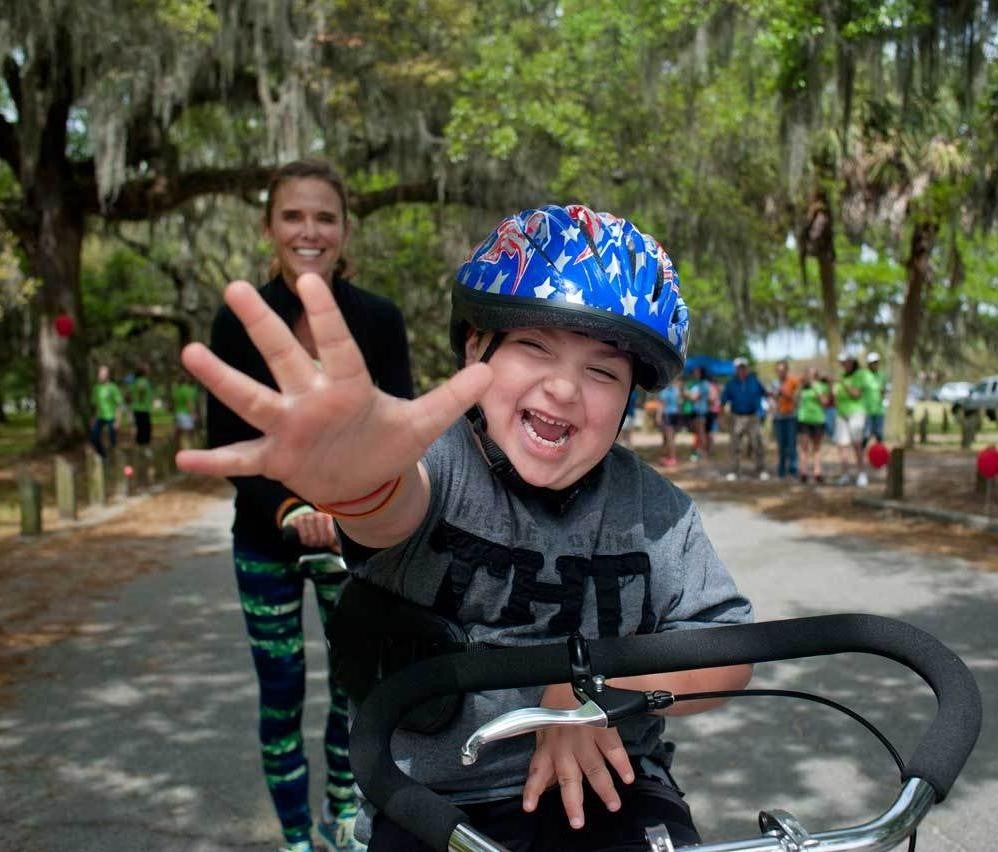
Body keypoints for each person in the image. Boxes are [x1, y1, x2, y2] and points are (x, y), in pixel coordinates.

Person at [177, 204, 754, 852]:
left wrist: (595, 692)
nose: (564, 387)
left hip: (613, 789)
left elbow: (726, 651)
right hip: (434, 802)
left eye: (602, 371)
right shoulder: (440, 465)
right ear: (476, 346)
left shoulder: (656, 512)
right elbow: (391, 503)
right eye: (534, 346)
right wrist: (351, 478)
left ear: (630, 401)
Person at [205, 159, 414, 852]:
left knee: (355, 694)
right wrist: (292, 509)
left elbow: (398, 433)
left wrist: (354, 505)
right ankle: (297, 838)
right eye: (293, 215)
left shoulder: (380, 321)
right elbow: (229, 441)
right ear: (269, 227)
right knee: (282, 694)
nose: (309, 230)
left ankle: (343, 824)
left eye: (324, 216)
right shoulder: (238, 322)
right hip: (266, 543)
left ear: (345, 229)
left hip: (353, 542)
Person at [722, 357, 768, 481]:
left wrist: (763, 412)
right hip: (736, 417)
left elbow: (765, 394)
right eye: (739, 368)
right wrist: (722, 413)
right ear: (736, 369)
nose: (741, 370)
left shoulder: (755, 381)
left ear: (747, 368)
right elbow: (724, 399)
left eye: (743, 367)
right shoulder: (731, 383)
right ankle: (734, 471)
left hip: (753, 416)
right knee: (735, 444)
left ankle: (761, 469)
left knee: (757, 443)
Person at [832, 351, 869, 487]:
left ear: (852, 362)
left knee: (857, 444)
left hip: (856, 413)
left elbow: (856, 394)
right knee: (842, 445)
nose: (843, 364)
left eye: (846, 361)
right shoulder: (841, 377)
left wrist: (843, 383)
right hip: (841, 414)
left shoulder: (860, 374)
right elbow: (836, 400)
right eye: (842, 362)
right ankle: (845, 474)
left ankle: (861, 473)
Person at [796, 366, 830, 484]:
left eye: (813, 374)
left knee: (816, 448)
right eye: (808, 374)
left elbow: (825, 402)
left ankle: (817, 472)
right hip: (804, 419)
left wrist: (816, 388)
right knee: (803, 447)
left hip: (818, 419)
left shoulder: (821, 386)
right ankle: (803, 472)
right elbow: (796, 400)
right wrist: (800, 388)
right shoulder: (803, 388)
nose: (810, 377)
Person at [770, 359, 800, 479]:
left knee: (791, 445)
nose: (780, 372)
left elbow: (797, 399)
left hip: (791, 417)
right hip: (778, 417)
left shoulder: (793, 381)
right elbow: (772, 399)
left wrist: (786, 393)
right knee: (781, 445)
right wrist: (775, 396)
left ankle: (793, 469)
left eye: (782, 370)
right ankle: (781, 470)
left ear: (787, 370)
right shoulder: (774, 383)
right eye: (778, 370)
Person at [89, 364, 123, 458]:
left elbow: (119, 405)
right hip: (100, 417)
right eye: (99, 374)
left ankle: (114, 458)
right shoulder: (96, 388)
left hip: (111, 417)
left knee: (112, 441)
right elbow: (95, 406)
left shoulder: (113, 388)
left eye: (102, 374)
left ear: (107, 375)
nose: (100, 376)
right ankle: (103, 456)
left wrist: (118, 420)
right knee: (94, 438)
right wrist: (92, 419)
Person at [656, 374, 684, 467]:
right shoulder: (676, 390)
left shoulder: (665, 390)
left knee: (669, 438)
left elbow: (661, 404)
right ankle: (667, 456)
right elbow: (680, 404)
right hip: (675, 414)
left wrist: (658, 417)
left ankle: (672, 458)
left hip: (667, 414)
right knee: (668, 437)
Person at [685, 367, 711, 461]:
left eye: (697, 372)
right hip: (695, 411)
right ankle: (699, 451)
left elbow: (694, 397)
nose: (695, 374)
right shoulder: (696, 384)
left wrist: (686, 393)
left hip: (701, 412)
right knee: (697, 433)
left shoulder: (704, 384)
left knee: (701, 432)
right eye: (694, 372)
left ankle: (703, 452)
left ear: (701, 373)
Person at [172, 370, 200, 450]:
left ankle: (177, 448)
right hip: (185, 414)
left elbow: (175, 402)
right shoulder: (186, 389)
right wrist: (193, 413)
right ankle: (190, 449)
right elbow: (189, 403)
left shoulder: (177, 390)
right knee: (189, 433)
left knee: (179, 432)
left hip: (178, 413)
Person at [863, 351, 886, 445]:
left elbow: (883, 392)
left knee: (879, 435)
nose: (875, 364)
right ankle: (861, 456)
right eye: (873, 363)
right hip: (867, 410)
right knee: (866, 435)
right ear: (869, 364)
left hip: (879, 410)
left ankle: (878, 457)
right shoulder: (863, 375)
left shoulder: (882, 376)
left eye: (876, 362)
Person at [130, 362, 154, 447]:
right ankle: (144, 449)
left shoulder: (134, 381)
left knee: (139, 429)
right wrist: (141, 397)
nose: (149, 370)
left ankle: (140, 448)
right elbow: (141, 389)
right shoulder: (143, 381)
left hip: (137, 408)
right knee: (145, 430)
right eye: (147, 369)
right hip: (143, 409)